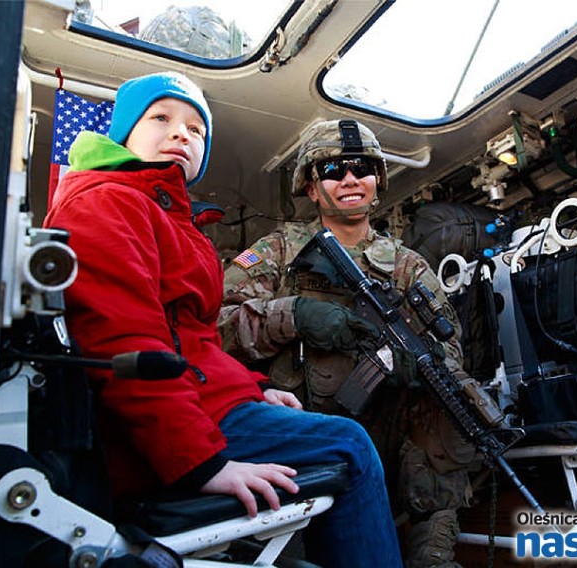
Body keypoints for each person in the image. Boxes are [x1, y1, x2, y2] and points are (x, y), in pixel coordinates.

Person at [43, 72, 402, 568]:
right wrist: (200, 462)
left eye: (196, 129)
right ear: (122, 132)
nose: (180, 134)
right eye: (161, 118)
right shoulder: (110, 202)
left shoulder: (169, 218)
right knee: (349, 446)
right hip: (169, 430)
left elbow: (195, 342)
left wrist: (253, 390)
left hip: (207, 405)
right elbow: (126, 345)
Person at [219, 119, 475, 568]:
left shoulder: (407, 266)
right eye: (334, 170)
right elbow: (216, 330)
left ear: (377, 181)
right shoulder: (277, 252)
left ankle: (433, 552)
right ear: (313, 189)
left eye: (362, 169)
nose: (350, 179)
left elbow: (450, 351)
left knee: (451, 402)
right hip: (300, 417)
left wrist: (414, 364)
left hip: (385, 424)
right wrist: (293, 314)